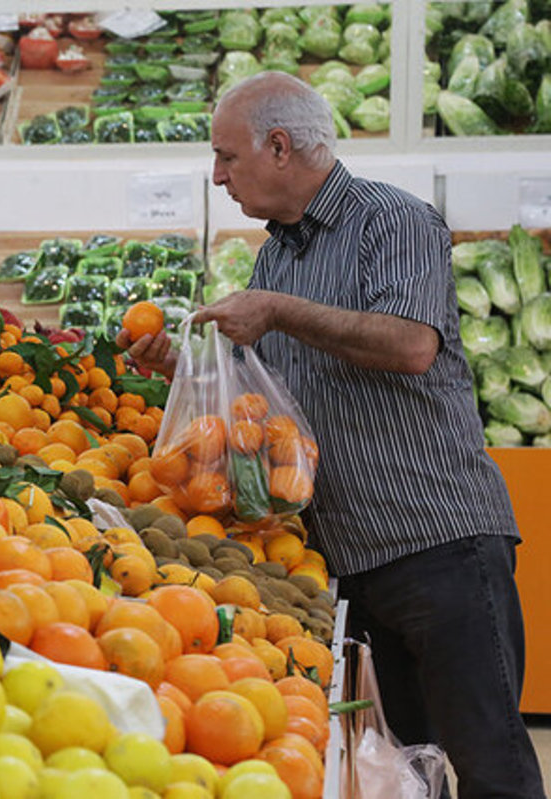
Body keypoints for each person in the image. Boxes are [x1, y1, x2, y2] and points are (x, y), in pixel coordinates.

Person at [119, 71, 544, 798]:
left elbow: (412, 345)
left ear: (279, 146)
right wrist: (182, 373)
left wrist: (277, 310)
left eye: (227, 157)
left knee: (486, 765)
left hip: (436, 544)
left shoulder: (392, 221)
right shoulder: (276, 255)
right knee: (413, 770)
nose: (217, 176)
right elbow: (268, 415)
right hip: (348, 564)